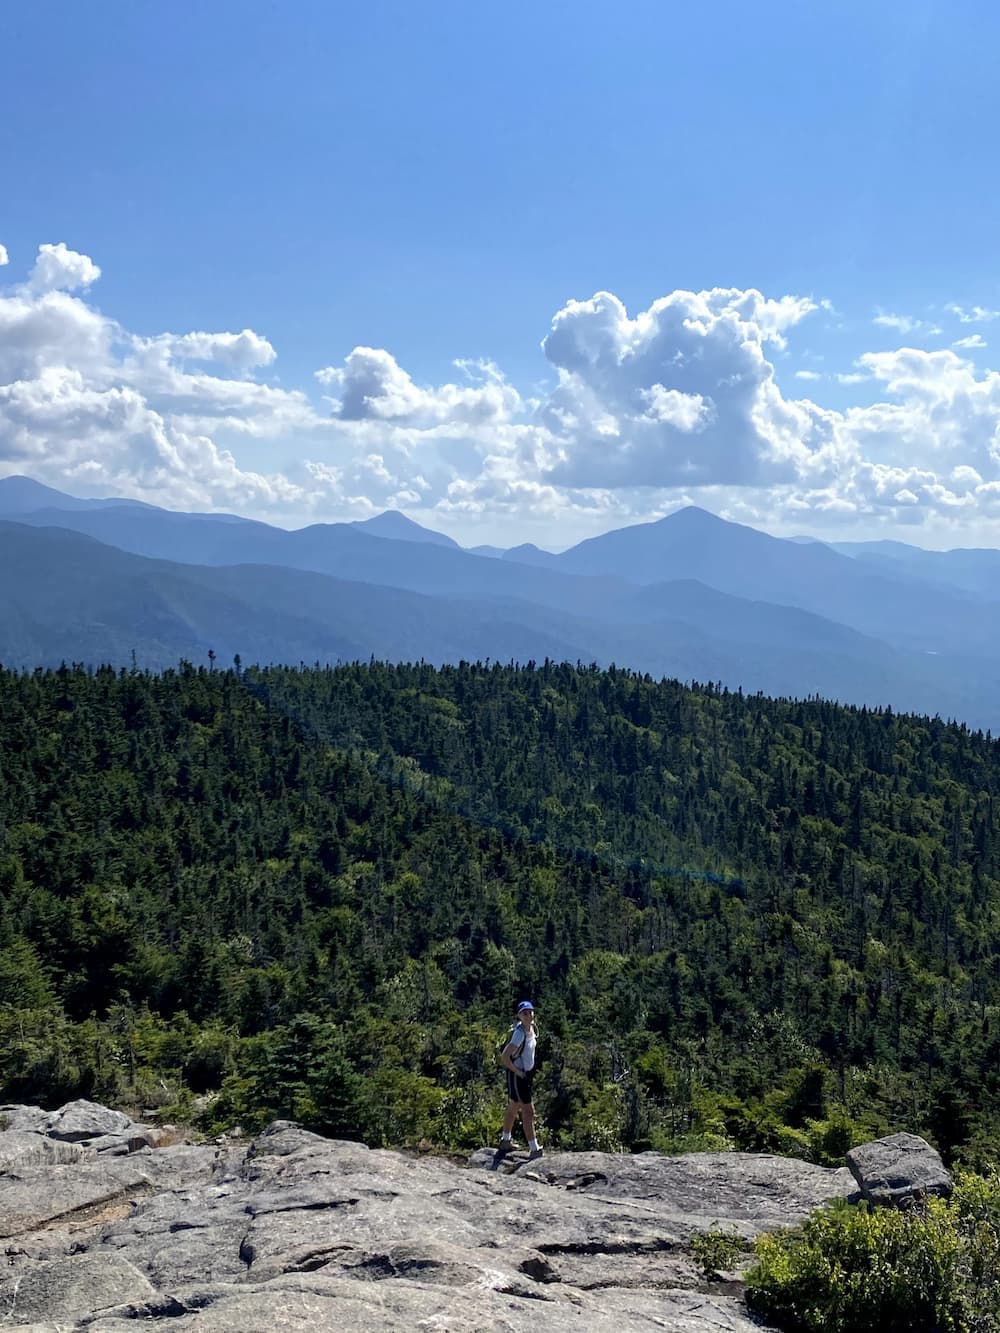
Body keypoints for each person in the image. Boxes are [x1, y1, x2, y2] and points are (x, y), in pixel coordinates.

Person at [498, 1000, 542, 1160]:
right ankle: (534, 1149)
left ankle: (505, 1141)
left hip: (524, 1075)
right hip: (518, 1075)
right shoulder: (519, 1033)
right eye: (524, 1013)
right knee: (529, 1111)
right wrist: (518, 1072)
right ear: (519, 1015)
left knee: (514, 1106)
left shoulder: (531, 1028)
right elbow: (504, 1057)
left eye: (530, 1012)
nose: (528, 1015)